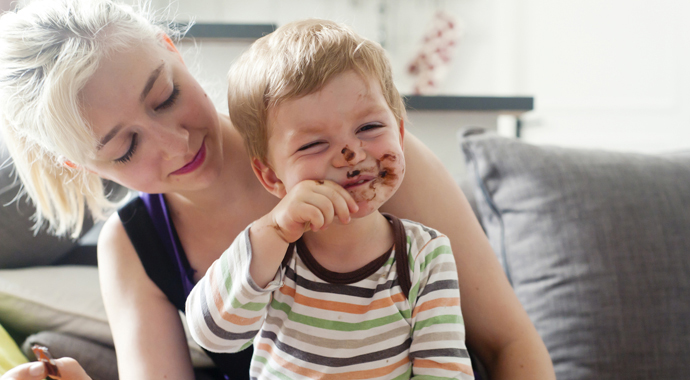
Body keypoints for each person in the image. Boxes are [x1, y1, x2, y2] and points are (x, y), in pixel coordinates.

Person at [0, 0, 555, 379]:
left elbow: (511, 347)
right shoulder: (133, 248)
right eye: (125, 149)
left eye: (166, 96)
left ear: (172, 49)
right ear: (80, 163)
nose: (174, 143)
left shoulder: (363, 158)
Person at [185, 19, 474, 379]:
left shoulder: (425, 255)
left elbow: (445, 372)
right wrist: (273, 231)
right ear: (272, 176)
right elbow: (213, 335)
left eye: (369, 127)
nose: (351, 153)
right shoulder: (272, 252)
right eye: (313, 144)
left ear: (399, 134)